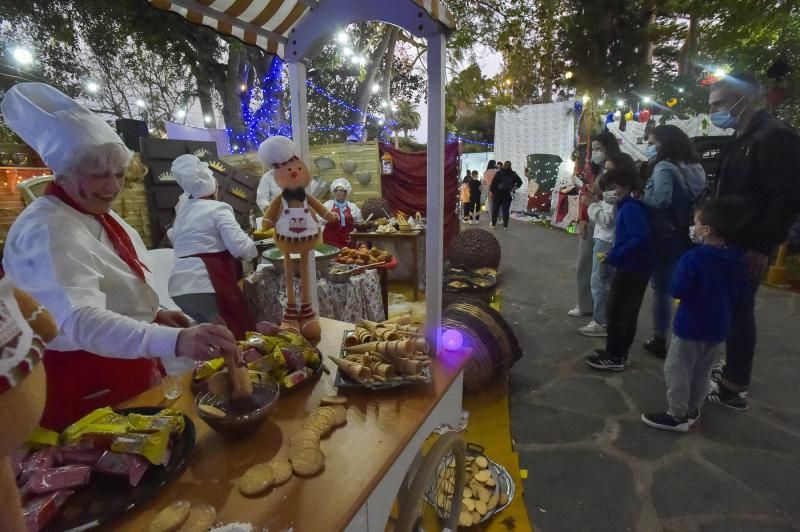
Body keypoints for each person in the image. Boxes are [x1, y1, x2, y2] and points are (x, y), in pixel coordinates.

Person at [0, 83, 236, 429]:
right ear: (63, 172)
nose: (111, 185)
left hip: (130, 368)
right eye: (97, 173)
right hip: (85, 382)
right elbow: (77, 320)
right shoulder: (47, 229)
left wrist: (154, 312)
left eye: (118, 174)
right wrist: (178, 340)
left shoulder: (98, 214)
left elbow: (115, 283)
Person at [706, 73, 800, 409]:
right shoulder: (740, 136)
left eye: (718, 104)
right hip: (730, 240)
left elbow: (785, 197)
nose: (714, 112)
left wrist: (763, 246)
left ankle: (734, 386)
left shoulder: (774, 136)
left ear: (744, 99)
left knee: (740, 311)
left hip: (750, 244)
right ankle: (731, 369)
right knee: (731, 309)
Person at [642, 198, 748, 431]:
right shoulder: (737, 260)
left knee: (677, 369)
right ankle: (691, 409)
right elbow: (741, 294)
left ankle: (676, 415)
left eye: (696, 222)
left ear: (707, 229)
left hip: (690, 326)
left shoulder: (693, 258)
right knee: (702, 372)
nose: (693, 226)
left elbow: (677, 289)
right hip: (718, 328)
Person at [168, 154, 258, 339]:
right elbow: (240, 247)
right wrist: (254, 248)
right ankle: (243, 366)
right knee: (232, 334)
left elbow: (175, 239)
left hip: (179, 289)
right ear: (212, 186)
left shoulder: (183, 211)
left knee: (211, 339)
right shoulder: (218, 208)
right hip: (207, 284)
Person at [641, 125, 707, 358]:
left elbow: (661, 201)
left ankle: (660, 338)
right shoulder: (696, 166)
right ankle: (687, 336)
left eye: (652, 143)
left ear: (664, 143)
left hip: (667, 234)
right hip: (693, 232)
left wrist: (639, 200)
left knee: (662, 288)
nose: (649, 148)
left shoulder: (664, 167)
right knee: (688, 283)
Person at [584, 167, 652, 371]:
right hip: (631, 265)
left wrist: (615, 254)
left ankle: (615, 356)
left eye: (614, 188)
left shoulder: (631, 208)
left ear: (627, 187)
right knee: (624, 311)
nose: (609, 193)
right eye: (606, 189)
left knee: (618, 312)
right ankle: (618, 353)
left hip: (633, 267)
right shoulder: (625, 206)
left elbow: (640, 238)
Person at [578, 153, 637, 337]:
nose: (606, 173)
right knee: (604, 282)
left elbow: (607, 220)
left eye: (610, 169)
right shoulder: (616, 195)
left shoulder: (616, 197)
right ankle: (604, 318)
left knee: (599, 282)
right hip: (607, 240)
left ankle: (600, 321)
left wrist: (591, 205)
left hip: (606, 241)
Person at [568, 131, 621, 318]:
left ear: (609, 149)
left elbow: (608, 202)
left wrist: (593, 200)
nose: (595, 153)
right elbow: (589, 195)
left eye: (599, 149)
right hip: (592, 219)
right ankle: (586, 305)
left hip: (604, 224)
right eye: (594, 149)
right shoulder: (597, 170)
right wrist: (582, 217)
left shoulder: (614, 171)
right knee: (586, 265)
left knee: (600, 273)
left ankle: (600, 316)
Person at [322, 177, 363, 247]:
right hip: (330, 242)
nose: (338, 192)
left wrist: (355, 234)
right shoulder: (327, 205)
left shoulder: (353, 207)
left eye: (341, 190)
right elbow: (319, 222)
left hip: (348, 242)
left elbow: (359, 224)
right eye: (336, 190)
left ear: (346, 193)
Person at [490, 161, 522, 229]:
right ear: (510, 166)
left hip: (497, 194)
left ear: (503, 165)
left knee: (495, 210)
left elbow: (492, 184)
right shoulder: (513, 174)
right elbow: (520, 183)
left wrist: (493, 192)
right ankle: (505, 226)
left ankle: (493, 225)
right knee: (505, 211)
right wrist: (512, 189)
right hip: (507, 194)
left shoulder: (499, 173)